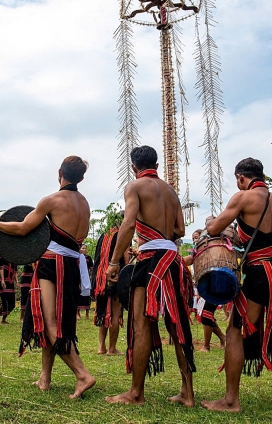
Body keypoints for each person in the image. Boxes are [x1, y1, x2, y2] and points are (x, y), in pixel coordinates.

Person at [201, 158, 272, 412]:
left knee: (236, 330)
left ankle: (230, 400)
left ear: (240, 178)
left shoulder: (242, 198)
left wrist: (210, 221)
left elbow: (214, 228)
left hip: (259, 273)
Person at [0, 156, 95, 399]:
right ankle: (44, 378)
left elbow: (23, 228)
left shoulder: (52, 200)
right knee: (60, 320)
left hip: (52, 264)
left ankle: (83, 375)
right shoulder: (85, 204)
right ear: (81, 178)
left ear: (60, 172)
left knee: (50, 323)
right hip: (71, 265)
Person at [105, 145, 194, 407]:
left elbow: (129, 223)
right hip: (173, 261)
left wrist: (113, 261)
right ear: (156, 164)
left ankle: (136, 393)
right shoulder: (170, 191)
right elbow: (180, 227)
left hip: (150, 261)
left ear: (134, 167)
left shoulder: (135, 187)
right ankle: (188, 394)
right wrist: (163, 237)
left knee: (141, 326)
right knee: (177, 325)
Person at [190, 226, 226, 353]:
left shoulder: (210, 248)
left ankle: (206, 346)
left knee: (206, 315)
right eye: (193, 238)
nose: (195, 240)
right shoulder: (198, 250)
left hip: (216, 284)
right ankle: (222, 338)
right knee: (207, 315)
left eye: (196, 237)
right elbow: (190, 261)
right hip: (206, 286)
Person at [94, 221, 125, 355]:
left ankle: (101, 347)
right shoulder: (122, 236)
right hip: (115, 278)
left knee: (102, 312)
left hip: (100, 280)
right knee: (115, 313)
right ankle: (112, 349)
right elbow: (126, 258)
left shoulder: (104, 236)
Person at [76, 244, 93, 320]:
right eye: (83, 248)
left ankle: (87, 314)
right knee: (78, 295)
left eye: (85, 248)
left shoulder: (88, 258)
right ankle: (77, 313)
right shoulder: (77, 257)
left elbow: (91, 269)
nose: (84, 250)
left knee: (87, 296)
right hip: (79, 278)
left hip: (86, 278)